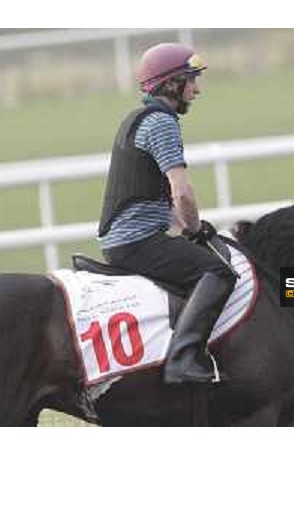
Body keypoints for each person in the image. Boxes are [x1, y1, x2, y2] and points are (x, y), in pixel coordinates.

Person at [97, 42, 237, 385]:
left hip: (129, 238)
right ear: (172, 83)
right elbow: (181, 192)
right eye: (192, 80)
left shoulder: (141, 119)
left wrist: (184, 226)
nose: (197, 89)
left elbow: (155, 198)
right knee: (219, 273)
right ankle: (183, 359)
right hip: (136, 242)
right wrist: (194, 227)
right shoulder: (161, 123)